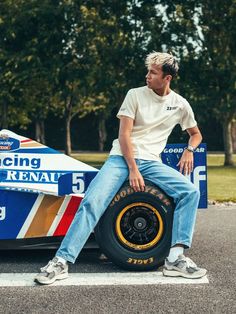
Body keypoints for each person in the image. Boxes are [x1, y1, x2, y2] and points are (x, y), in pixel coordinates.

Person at [35, 52, 207, 285]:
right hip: (121, 159)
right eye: (148, 71)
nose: (147, 76)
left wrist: (190, 150)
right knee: (92, 202)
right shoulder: (134, 95)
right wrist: (133, 168)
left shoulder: (180, 104)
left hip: (152, 162)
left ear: (167, 78)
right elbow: (124, 135)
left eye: (153, 73)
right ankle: (61, 262)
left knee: (190, 192)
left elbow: (196, 135)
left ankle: (175, 259)